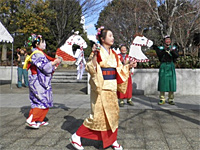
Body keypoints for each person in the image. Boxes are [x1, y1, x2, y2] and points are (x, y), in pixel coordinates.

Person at [69, 26, 136, 150]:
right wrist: (94, 54)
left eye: (112, 36)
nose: (112, 38)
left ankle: (113, 140)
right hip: (101, 87)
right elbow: (91, 67)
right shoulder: (97, 51)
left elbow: (119, 69)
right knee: (98, 116)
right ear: (102, 38)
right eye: (110, 36)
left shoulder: (114, 54)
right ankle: (77, 136)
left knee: (113, 115)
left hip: (111, 86)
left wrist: (128, 66)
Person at [24, 34, 61, 129]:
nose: (45, 44)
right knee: (42, 100)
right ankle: (31, 119)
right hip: (38, 81)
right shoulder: (37, 54)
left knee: (37, 100)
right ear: (37, 44)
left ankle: (38, 119)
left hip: (36, 79)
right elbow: (44, 67)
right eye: (43, 42)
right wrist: (54, 63)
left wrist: (53, 63)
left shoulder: (38, 53)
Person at [153, 35, 179, 105]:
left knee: (171, 82)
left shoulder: (174, 48)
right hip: (163, 65)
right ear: (164, 41)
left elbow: (176, 55)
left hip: (171, 65)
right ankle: (162, 98)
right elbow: (159, 55)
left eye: (169, 40)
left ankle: (171, 98)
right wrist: (164, 50)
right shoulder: (160, 48)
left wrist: (172, 51)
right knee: (162, 82)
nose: (168, 41)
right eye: (166, 40)